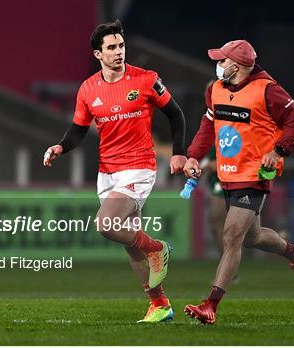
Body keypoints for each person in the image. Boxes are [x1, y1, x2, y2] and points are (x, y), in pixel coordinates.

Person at [43, 20, 187, 323]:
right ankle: (160, 305)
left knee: (106, 224)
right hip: (107, 172)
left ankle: (158, 248)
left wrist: (178, 154)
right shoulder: (88, 89)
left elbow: (176, 114)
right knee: (131, 246)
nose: (119, 51)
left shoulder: (146, 80)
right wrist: (60, 147)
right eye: (112, 47)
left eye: (121, 45)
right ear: (98, 54)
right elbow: (78, 129)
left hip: (139, 167)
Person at [183, 40, 294, 325]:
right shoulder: (215, 90)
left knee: (231, 236)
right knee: (251, 237)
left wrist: (278, 151)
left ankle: (211, 305)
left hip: (255, 175)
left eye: (222, 60)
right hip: (228, 173)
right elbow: (207, 125)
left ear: (237, 66)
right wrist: (193, 156)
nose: (218, 65)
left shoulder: (268, 90)